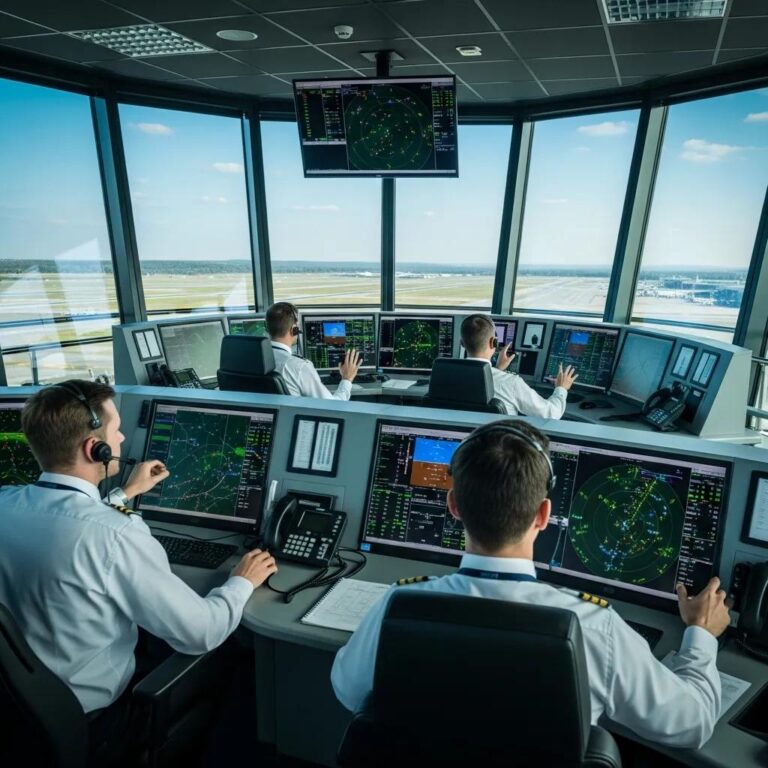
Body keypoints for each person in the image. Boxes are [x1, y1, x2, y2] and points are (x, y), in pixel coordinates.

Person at [331, 420, 729, 749]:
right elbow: (690, 724)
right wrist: (700, 636)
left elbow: (348, 690)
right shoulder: (593, 626)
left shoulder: (400, 604)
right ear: (544, 515)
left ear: (453, 506)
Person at [0, 380, 277, 719]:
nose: (121, 439)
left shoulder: (6, 504)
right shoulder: (118, 535)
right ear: (95, 450)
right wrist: (242, 581)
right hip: (87, 715)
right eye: (116, 431)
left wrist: (123, 494)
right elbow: (201, 633)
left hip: (16, 709)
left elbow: (64, 519)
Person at [460, 313, 577, 418]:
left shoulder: (444, 376)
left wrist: (497, 370)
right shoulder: (511, 383)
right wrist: (561, 389)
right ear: (493, 342)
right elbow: (551, 413)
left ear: (462, 343)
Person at [266, 301, 361, 400]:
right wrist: (347, 379)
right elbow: (332, 407)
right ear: (294, 330)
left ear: (267, 328)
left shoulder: (254, 359)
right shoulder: (299, 367)